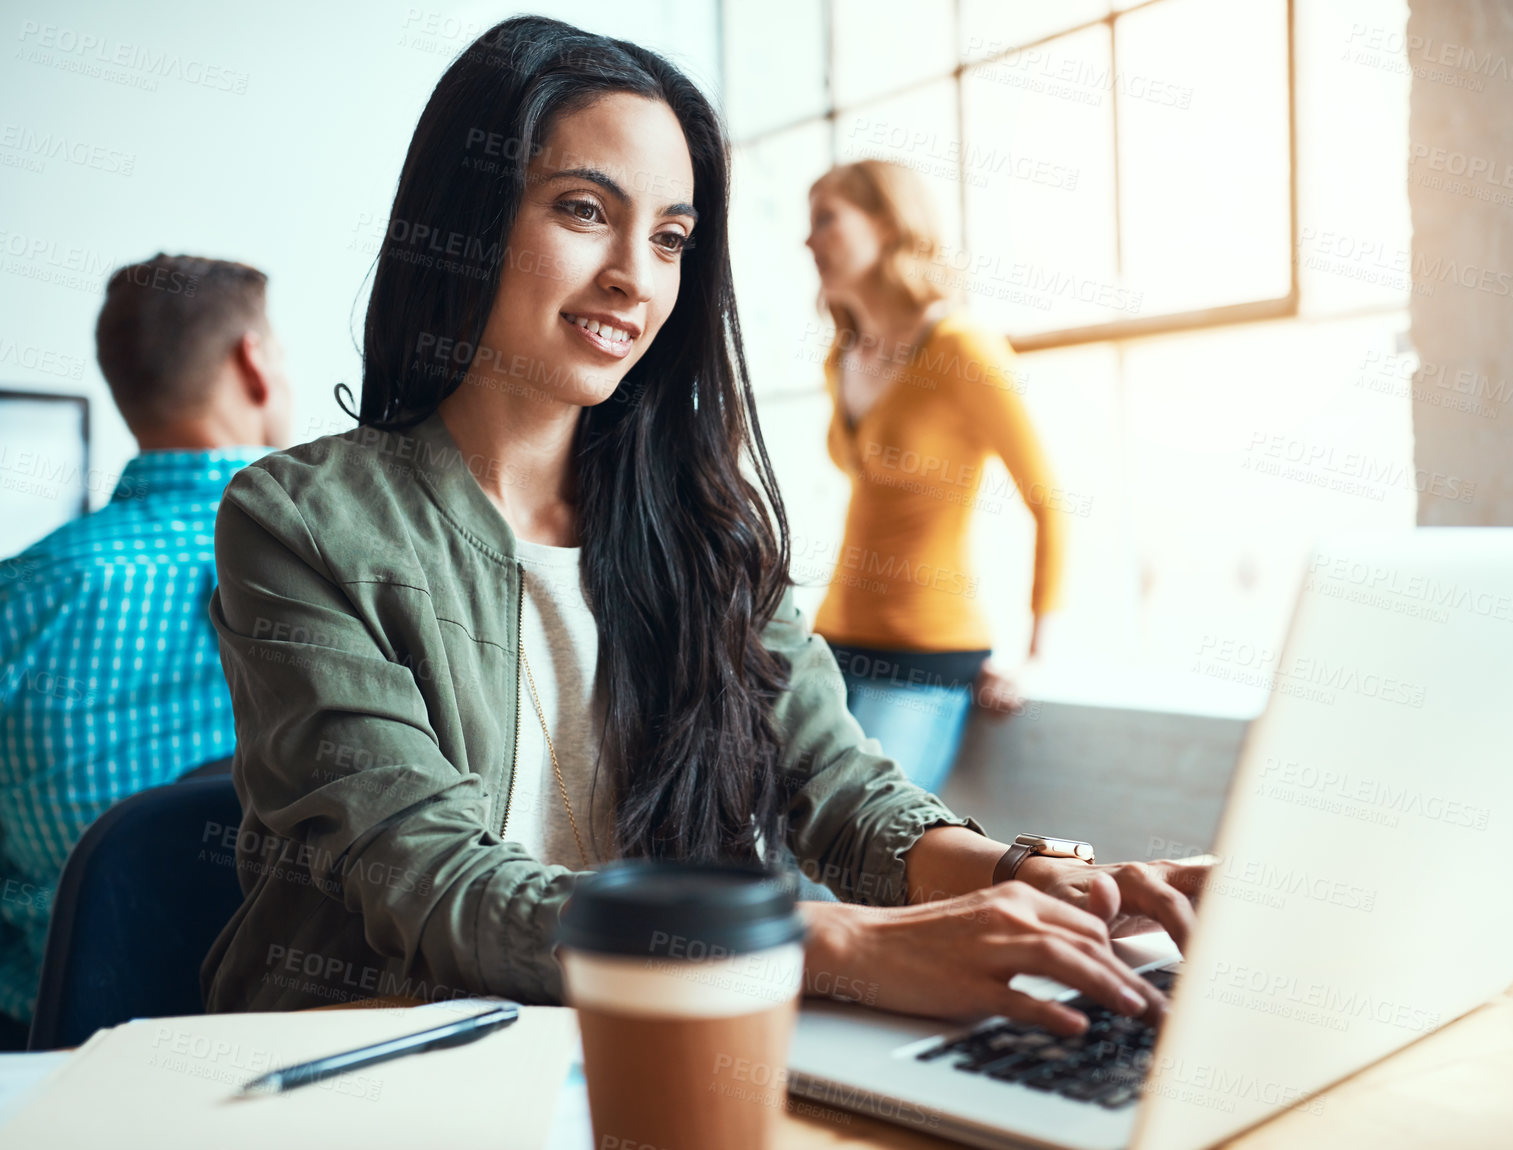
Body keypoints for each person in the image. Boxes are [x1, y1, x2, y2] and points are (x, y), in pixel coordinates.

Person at [202, 17, 1205, 1037]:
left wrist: (1043, 877)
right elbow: (427, 878)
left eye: (671, 238)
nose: (636, 277)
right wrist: (837, 945)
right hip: (384, 1069)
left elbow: (830, 780)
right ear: (468, 214)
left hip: (657, 1055)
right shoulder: (299, 522)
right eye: (585, 210)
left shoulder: (700, 523)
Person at [0, 254, 293, 1047]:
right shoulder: (336, 564)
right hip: (312, 1032)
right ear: (254, 362)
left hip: (62, 1052)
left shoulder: (21, 593)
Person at [805, 160, 1065, 796]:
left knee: (858, 851)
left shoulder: (960, 347)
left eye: (826, 219)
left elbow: (1049, 503)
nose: (808, 241)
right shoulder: (841, 356)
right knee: (780, 855)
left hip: (925, 659)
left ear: (889, 225)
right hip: (830, 644)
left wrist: (1033, 657)